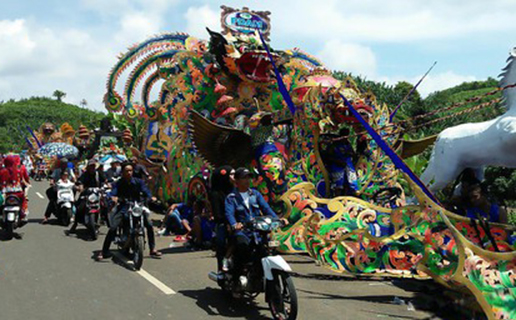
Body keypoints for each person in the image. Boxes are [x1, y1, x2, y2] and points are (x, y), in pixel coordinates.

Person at [225, 167, 287, 274]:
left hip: (258, 230)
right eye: (244, 178)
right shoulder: (231, 197)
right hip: (243, 231)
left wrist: (278, 219)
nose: (247, 180)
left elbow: (266, 208)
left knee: (267, 248)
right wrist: (235, 224)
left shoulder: (255, 194)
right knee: (242, 246)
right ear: (237, 181)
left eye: (249, 177)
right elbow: (229, 213)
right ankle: (239, 274)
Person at [97, 163, 161, 260]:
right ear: (122, 172)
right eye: (127, 171)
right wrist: (112, 197)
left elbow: (146, 191)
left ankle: (152, 249)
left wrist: (150, 197)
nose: (129, 173)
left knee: (149, 224)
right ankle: (104, 251)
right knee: (113, 227)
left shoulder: (138, 182)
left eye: (130, 170)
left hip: (137, 207)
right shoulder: (119, 183)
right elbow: (112, 192)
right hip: (124, 207)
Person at [67, 159, 106, 236]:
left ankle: (105, 220)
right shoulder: (85, 174)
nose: (92, 168)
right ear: (88, 167)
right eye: (91, 166)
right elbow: (80, 182)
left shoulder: (98, 174)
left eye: (93, 166)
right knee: (79, 207)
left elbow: (105, 180)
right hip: (87, 193)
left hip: (97, 193)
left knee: (105, 205)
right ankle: (75, 224)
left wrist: (107, 185)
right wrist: (80, 187)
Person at [208, 166, 234, 271]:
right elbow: (218, 215)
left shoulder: (238, 190)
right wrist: (229, 223)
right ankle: (223, 264)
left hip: (241, 222)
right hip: (224, 223)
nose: (234, 177)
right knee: (222, 241)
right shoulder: (216, 194)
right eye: (231, 175)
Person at [42, 158, 76, 224]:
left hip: (68, 188)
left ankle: (74, 215)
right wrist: (52, 182)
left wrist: (75, 182)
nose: (64, 165)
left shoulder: (69, 170)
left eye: (65, 163)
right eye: (63, 163)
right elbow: (52, 178)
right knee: (52, 200)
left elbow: (74, 178)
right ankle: (46, 216)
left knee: (74, 198)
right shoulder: (57, 171)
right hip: (59, 188)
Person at [0, 155, 30, 222]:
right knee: (23, 200)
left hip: (5, 194)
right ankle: (23, 213)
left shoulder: (2, 172)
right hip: (18, 193)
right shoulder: (18, 171)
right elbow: (22, 181)